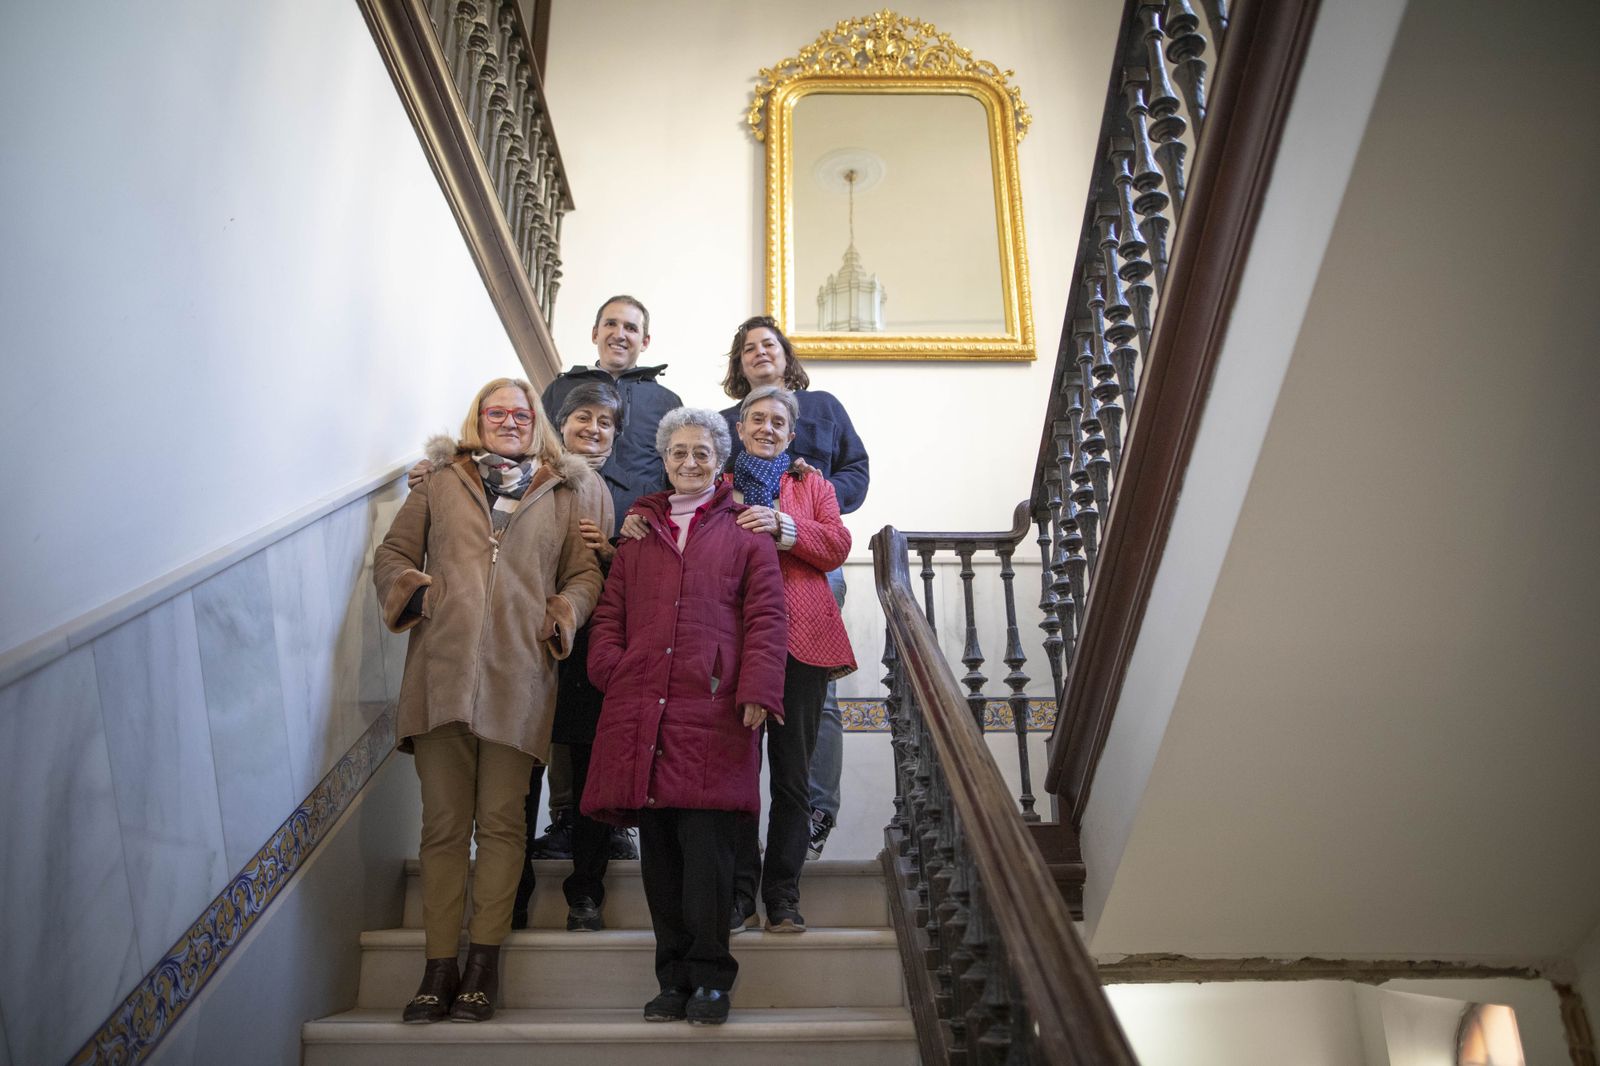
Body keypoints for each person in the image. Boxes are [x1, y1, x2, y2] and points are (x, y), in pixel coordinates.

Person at [374, 378, 604, 1024]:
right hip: (440, 676)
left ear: (536, 423)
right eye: (496, 411)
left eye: (520, 412)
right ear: (478, 419)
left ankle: (482, 967)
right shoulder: (441, 480)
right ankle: (437, 968)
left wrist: (563, 613)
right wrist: (418, 594)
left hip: (520, 677)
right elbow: (393, 554)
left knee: (504, 827)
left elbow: (584, 573)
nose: (508, 420)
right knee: (444, 829)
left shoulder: (563, 489)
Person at [582, 408, 787, 1026]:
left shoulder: (748, 530)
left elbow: (767, 618)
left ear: (720, 460)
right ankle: (671, 978)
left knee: (709, 854)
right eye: (679, 453)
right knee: (660, 856)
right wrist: (611, 670)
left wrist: (757, 686)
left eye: (702, 452)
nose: (691, 462)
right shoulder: (638, 534)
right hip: (642, 707)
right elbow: (610, 614)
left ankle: (711, 979)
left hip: (716, 709)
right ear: (664, 460)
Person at [534, 295, 681, 861]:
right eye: (612, 324)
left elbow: (674, 476)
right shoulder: (557, 389)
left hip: (629, 564)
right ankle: (566, 816)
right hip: (560, 563)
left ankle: (615, 816)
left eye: (632, 328)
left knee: (614, 692)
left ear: (646, 340)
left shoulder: (665, 400)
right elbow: (531, 452)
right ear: (595, 332)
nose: (621, 334)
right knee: (558, 695)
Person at [719, 315, 869, 860]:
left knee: (814, 699)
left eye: (769, 344)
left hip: (811, 562)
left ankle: (814, 812)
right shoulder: (722, 422)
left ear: (786, 356)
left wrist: (809, 492)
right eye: (747, 348)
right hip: (742, 578)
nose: (759, 353)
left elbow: (857, 470)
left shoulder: (823, 407)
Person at [722, 386, 856, 934]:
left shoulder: (811, 484)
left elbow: (837, 546)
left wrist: (785, 528)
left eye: (778, 421)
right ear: (740, 427)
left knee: (793, 779)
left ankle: (782, 894)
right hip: (737, 641)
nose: (767, 428)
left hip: (802, 641)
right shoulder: (718, 486)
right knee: (736, 775)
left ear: (791, 431)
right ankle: (737, 895)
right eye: (757, 419)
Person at [511, 382, 626, 931]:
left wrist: (612, 551)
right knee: (522, 771)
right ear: (561, 422)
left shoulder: (626, 488)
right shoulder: (524, 473)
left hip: (590, 645)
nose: (594, 428)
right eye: (584, 417)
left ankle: (586, 894)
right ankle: (512, 893)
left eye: (606, 423)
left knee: (589, 778)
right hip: (527, 641)